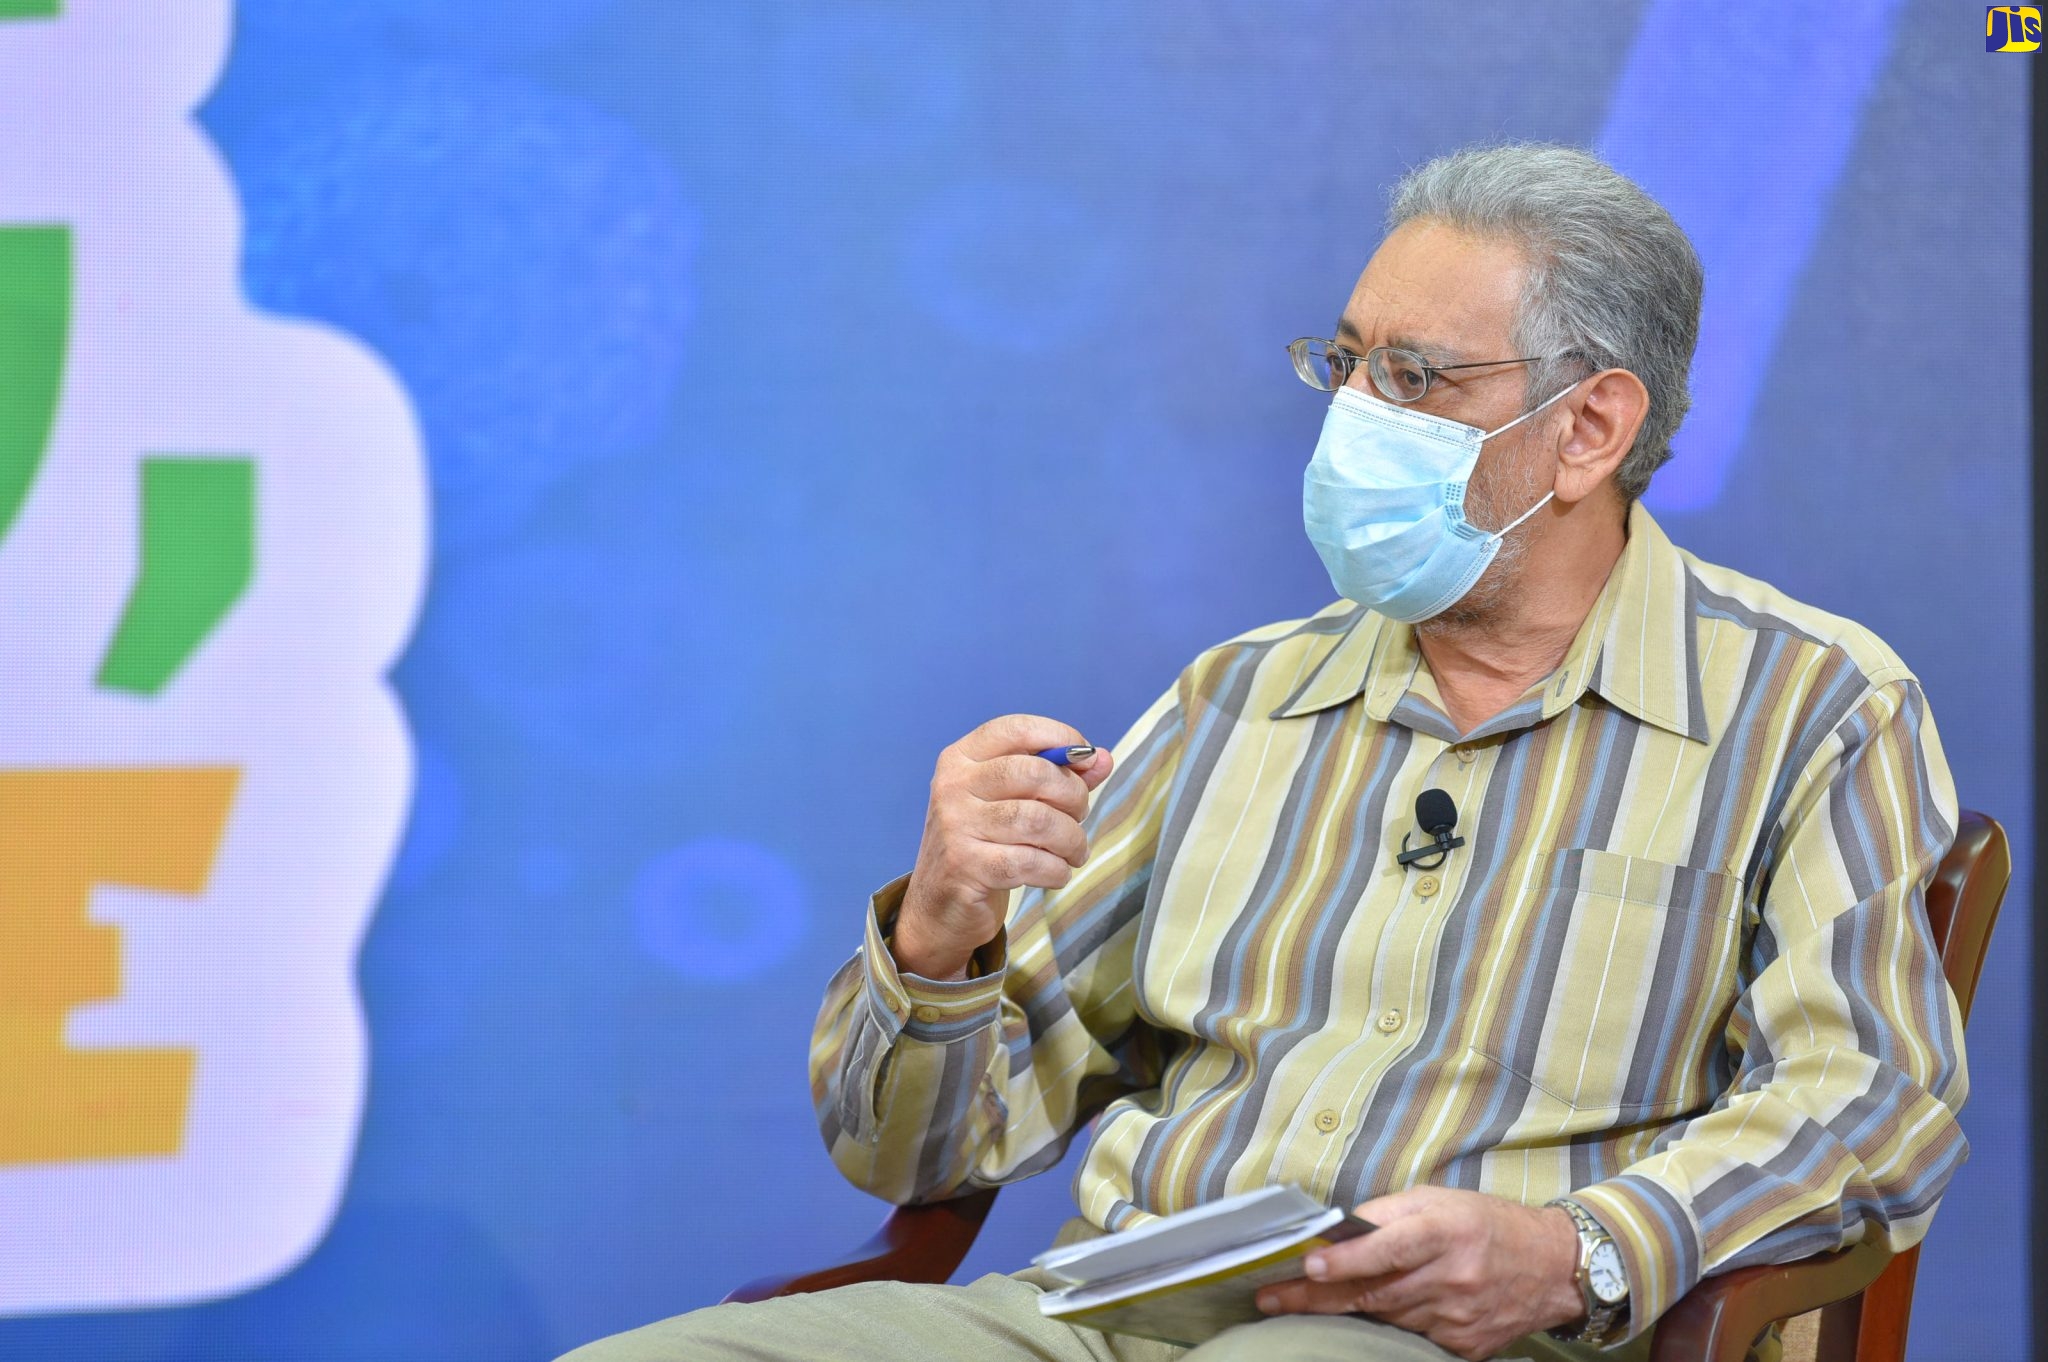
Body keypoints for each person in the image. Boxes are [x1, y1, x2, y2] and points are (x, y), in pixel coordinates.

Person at [561, 142, 1968, 1362]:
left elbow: (1871, 1097)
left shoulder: (1815, 703)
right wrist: (939, 936)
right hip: (1104, 1316)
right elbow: (914, 1154)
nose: (1354, 414)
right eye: (1346, 361)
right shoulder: (1240, 697)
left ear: (1589, 427)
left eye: (1417, 377)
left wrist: (1578, 1248)